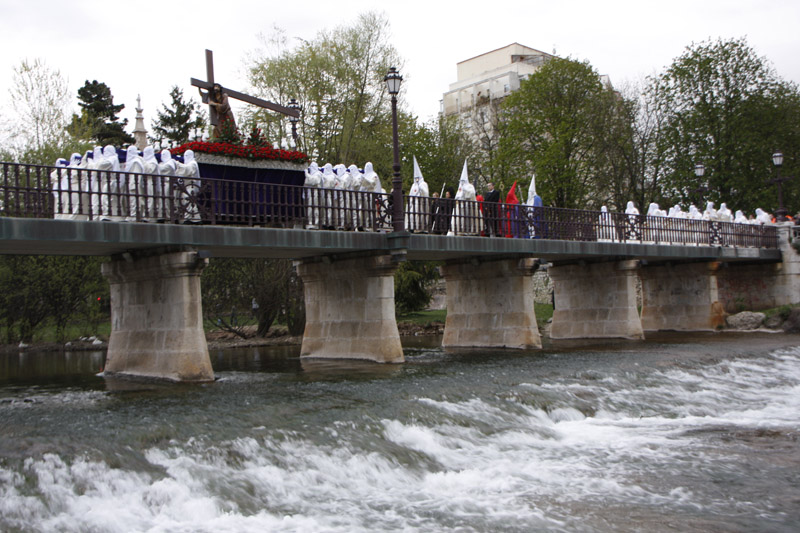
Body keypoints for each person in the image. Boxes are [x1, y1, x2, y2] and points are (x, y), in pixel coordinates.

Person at [450, 160, 481, 235]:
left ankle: (470, 232)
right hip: (460, 207)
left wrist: (465, 189)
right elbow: (457, 196)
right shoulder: (460, 188)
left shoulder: (470, 186)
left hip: (468, 206)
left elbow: (472, 194)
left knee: (469, 220)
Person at [406, 156, 430, 232]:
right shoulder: (413, 185)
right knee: (412, 216)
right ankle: (412, 228)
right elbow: (411, 194)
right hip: (414, 203)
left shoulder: (423, 184)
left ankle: (420, 229)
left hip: (421, 203)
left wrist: (421, 187)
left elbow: (425, 193)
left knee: (420, 217)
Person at [124, 145, 145, 221]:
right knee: (131, 201)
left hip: (134, 186)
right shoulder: (132, 162)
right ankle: (131, 215)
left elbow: (136, 175)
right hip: (130, 184)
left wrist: (133, 185)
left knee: (135, 201)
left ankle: (134, 216)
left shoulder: (136, 162)